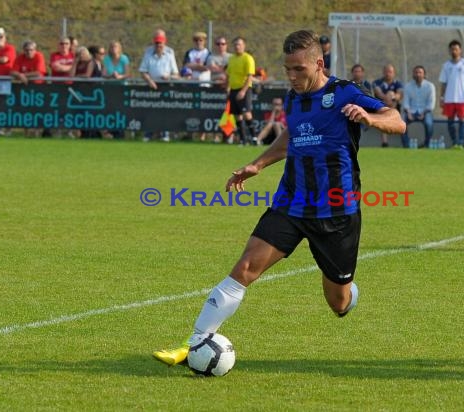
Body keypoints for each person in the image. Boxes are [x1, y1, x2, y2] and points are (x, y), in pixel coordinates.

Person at [152, 29, 406, 367]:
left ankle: (348, 291)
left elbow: (398, 121)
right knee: (245, 267)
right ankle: (194, 341)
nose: (291, 76)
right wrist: (257, 164)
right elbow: (292, 135)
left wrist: (370, 118)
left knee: (338, 302)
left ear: (319, 63)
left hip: (336, 209)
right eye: (287, 69)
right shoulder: (293, 98)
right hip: (290, 202)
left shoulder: (345, 92)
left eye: (299, 69)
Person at [139, 30, 179, 142]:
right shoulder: (148, 54)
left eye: (160, 43)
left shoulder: (170, 55)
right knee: (150, 110)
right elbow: (143, 71)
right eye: (157, 43)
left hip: (165, 86)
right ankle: (148, 134)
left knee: (164, 110)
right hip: (152, 86)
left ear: (164, 43)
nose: (159, 45)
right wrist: (150, 81)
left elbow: (176, 74)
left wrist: (169, 77)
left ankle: (164, 134)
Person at [439, 39, 464, 149]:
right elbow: (443, 83)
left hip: (461, 98)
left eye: (456, 49)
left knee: (462, 121)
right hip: (449, 98)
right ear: (449, 51)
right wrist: (441, 97)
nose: (454, 51)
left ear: (460, 50)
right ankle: (454, 142)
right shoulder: (446, 65)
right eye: (452, 49)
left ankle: (460, 143)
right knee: (450, 122)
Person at [10, 40, 47, 138]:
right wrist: (19, 75)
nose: (29, 52)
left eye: (31, 50)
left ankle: (37, 132)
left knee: (37, 110)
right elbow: (12, 72)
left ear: (35, 50)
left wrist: (22, 75)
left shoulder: (39, 56)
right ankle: (26, 133)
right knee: (25, 110)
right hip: (25, 88)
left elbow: (38, 72)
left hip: (38, 87)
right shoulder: (20, 58)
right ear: (23, 50)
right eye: (26, 50)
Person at [226, 36, 256, 145]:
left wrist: (243, 91)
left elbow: (250, 77)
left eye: (239, 44)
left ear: (244, 46)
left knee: (247, 113)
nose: (237, 46)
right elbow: (229, 75)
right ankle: (243, 140)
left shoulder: (248, 58)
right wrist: (228, 88)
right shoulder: (232, 58)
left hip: (244, 89)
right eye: (235, 45)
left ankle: (254, 138)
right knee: (237, 115)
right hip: (233, 90)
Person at [401, 65, 436, 148]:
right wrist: (408, 113)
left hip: (425, 111)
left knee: (429, 123)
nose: (418, 74)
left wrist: (424, 113)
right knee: (401, 124)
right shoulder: (408, 86)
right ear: (413, 74)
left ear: (424, 74)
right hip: (411, 111)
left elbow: (431, 104)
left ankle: (426, 145)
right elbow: (406, 102)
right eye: (416, 72)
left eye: (420, 73)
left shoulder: (430, 86)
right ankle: (407, 145)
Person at [0, 27, 16, 136]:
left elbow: (4, 60)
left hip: (4, 80)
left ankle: (3, 128)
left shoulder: (9, 48)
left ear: (5, 37)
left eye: (0, 37)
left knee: (3, 104)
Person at [373, 64, 404, 147]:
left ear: (393, 73)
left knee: (391, 94)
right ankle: (385, 142)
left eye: (390, 72)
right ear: (383, 72)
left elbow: (399, 95)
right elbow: (379, 94)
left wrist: (392, 97)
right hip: (380, 107)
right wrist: (388, 99)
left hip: (395, 107)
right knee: (384, 112)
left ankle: (385, 142)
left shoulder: (398, 83)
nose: (388, 74)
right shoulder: (377, 83)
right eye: (386, 72)